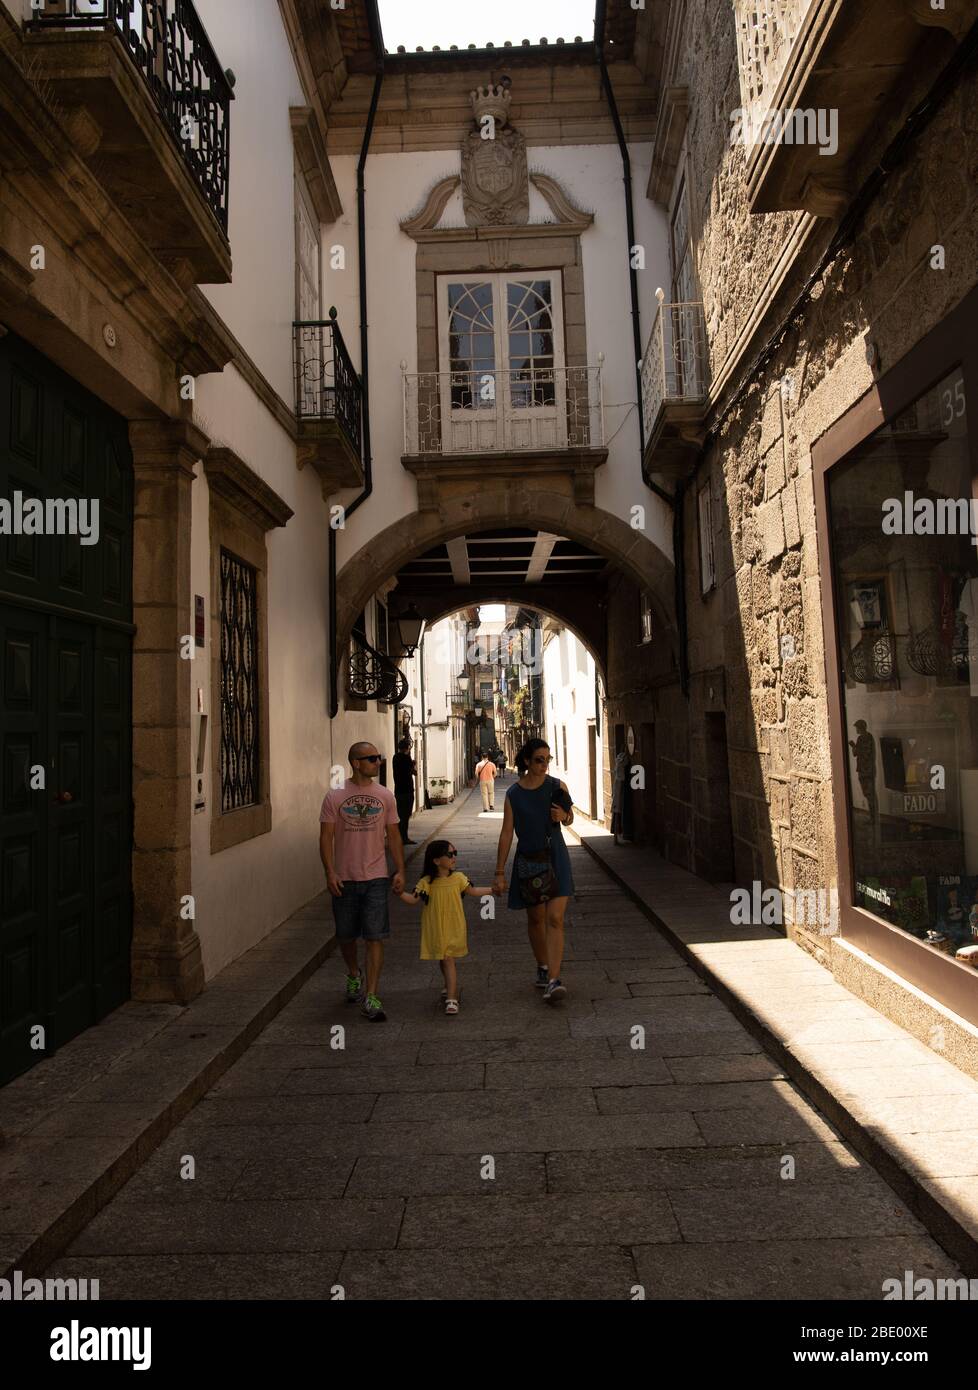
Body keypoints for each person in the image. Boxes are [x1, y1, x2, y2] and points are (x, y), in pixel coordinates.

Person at [319, 741, 405, 1021]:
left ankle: (371, 995)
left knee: (374, 936)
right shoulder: (335, 796)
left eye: (378, 758)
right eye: (371, 759)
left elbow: (393, 836)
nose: (377, 762)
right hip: (344, 878)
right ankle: (354, 973)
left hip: (376, 877)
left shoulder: (385, 795)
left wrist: (400, 870)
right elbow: (326, 838)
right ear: (356, 763)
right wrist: (330, 872)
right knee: (345, 935)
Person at [493, 737, 574, 1004]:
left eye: (547, 760)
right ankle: (542, 965)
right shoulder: (514, 795)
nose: (544, 765)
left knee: (555, 919)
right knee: (536, 920)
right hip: (529, 860)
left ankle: (554, 979)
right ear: (527, 760)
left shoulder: (556, 786)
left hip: (556, 857)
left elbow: (569, 815)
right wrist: (499, 872)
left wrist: (564, 817)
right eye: (539, 760)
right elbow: (506, 834)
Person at [397, 839, 496, 1015]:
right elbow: (413, 899)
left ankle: (452, 998)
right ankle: (447, 985)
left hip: (453, 925)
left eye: (455, 854)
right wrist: (399, 893)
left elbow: (473, 891)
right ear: (436, 860)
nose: (454, 858)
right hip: (435, 927)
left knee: (448, 958)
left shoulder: (458, 878)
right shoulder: (426, 882)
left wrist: (492, 890)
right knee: (443, 958)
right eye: (450, 854)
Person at [392, 736, 417, 845]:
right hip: (407, 790)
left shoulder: (395, 757)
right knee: (405, 816)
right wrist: (413, 764)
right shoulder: (406, 759)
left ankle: (399, 837)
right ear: (407, 748)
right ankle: (404, 838)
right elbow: (414, 772)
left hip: (398, 790)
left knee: (400, 815)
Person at [474, 748, 498, 812]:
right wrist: (492, 777)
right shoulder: (492, 764)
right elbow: (495, 773)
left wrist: (478, 778)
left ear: (482, 757)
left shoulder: (478, 764)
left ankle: (485, 808)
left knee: (484, 794)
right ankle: (491, 806)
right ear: (487, 757)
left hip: (482, 780)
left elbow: (476, 773)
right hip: (490, 780)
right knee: (491, 793)